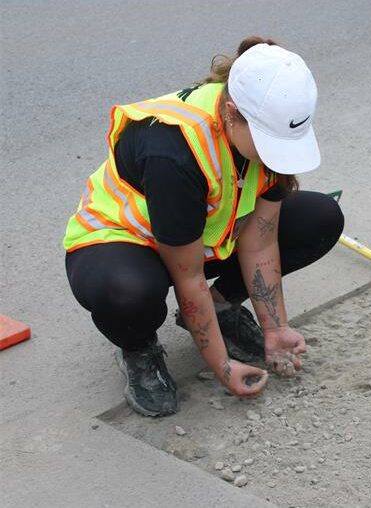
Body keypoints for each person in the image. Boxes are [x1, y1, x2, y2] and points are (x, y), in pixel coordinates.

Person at [64, 37, 344, 416]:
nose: (275, 156)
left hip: (203, 233)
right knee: (128, 293)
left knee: (320, 217)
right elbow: (189, 276)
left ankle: (223, 307)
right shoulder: (174, 150)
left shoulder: (267, 122)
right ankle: (138, 348)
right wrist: (222, 367)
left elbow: (261, 245)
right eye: (268, 142)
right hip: (124, 242)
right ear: (231, 113)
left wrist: (275, 328)